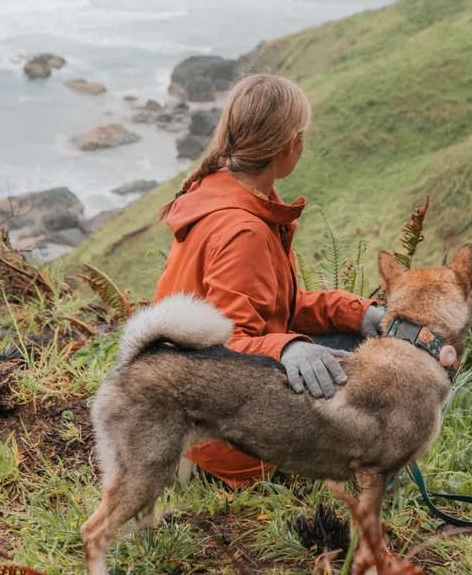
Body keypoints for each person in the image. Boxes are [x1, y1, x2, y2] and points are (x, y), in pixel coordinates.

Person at [153, 74, 385, 487]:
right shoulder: (244, 230)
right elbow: (222, 345)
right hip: (219, 446)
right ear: (287, 146)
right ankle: (360, 489)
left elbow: (278, 305)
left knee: (355, 345)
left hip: (186, 412)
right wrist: (289, 347)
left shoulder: (224, 194)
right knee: (374, 379)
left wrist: (359, 313)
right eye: (302, 136)